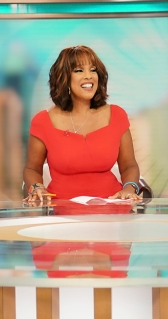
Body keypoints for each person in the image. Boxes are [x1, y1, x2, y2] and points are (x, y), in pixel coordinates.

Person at [23, 45, 143, 204]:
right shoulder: (43, 121)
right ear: (64, 78)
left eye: (93, 70)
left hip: (112, 208)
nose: (89, 76)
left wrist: (129, 188)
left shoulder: (117, 115)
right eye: (79, 70)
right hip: (61, 212)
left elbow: (129, 166)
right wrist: (36, 187)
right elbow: (32, 169)